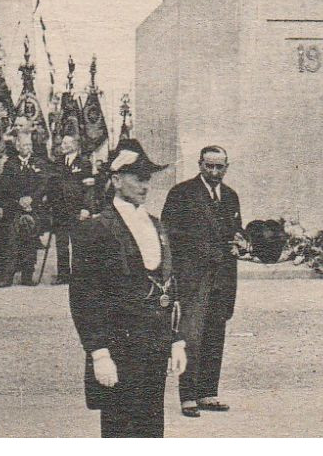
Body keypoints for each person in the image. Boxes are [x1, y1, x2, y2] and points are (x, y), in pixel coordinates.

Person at [68, 140, 188, 437]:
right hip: (119, 346)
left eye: (147, 178)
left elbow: (169, 286)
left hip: (155, 346)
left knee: (151, 427)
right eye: (137, 177)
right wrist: (98, 352)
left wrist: (176, 340)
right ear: (116, 179)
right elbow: (84, 296)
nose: (144, 185)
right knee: (120, 430)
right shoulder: (97, 228)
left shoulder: (157, 225)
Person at [161, 145, 243, 417]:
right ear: (199, 165)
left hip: (223, 279)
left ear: (226, 167)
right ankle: (188, 397)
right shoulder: (181, 194)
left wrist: (242, 243)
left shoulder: (230, 197)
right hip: (193, 278)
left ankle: (208, 393)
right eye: (210, 166)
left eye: (220, 167)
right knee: (190, 337)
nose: (215, 172)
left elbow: (236, 232)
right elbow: (169, 235)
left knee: (215, 334)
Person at [0, 133, 49, 286]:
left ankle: (27, 275)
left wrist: (32, 198)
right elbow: (6, 186)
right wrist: (19, 200)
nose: (28, 148)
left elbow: (43, 184)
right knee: (12, 240)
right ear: (18, 147)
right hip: (15, 207)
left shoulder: (39, 163)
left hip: (34, 207)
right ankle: (8, 276)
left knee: (31, 240)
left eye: (30, 145)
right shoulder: (10, 165)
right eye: (25, 145)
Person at [49, 134, 92, 285]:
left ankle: (78, 276)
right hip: (60, 210)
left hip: (76, 209)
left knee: (78, 243)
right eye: (62, 143)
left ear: (75, 145)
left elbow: (89, 189)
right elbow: (52, 185)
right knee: (61, 244)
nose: (63, 145)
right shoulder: (58, 163)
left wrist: (86, 208)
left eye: (66, 143)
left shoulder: (84, 163)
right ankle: (63, 275)